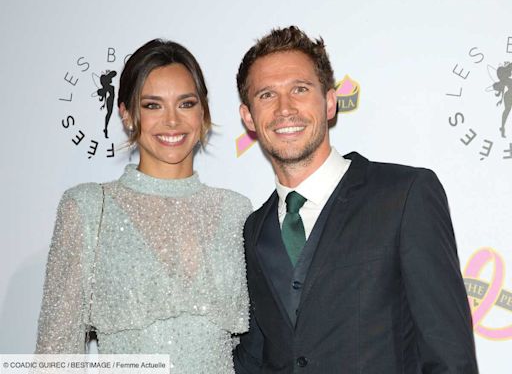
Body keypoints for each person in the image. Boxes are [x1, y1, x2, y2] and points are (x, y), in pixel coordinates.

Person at [233, 26, 478, 373]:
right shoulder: (253, 230)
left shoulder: (404, 195)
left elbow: (449, 354)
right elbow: (256, 360)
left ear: (330, 102)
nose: (285, 108)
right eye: (267, 95)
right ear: (248, 117)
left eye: (300, 89)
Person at [36, 39, 251, 373]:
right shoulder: (90, 208)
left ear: (203, 112)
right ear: (126, 113)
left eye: (186, 103)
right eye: (153, 105)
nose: (172, 121)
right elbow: (55, 355)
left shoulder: (236, 211)